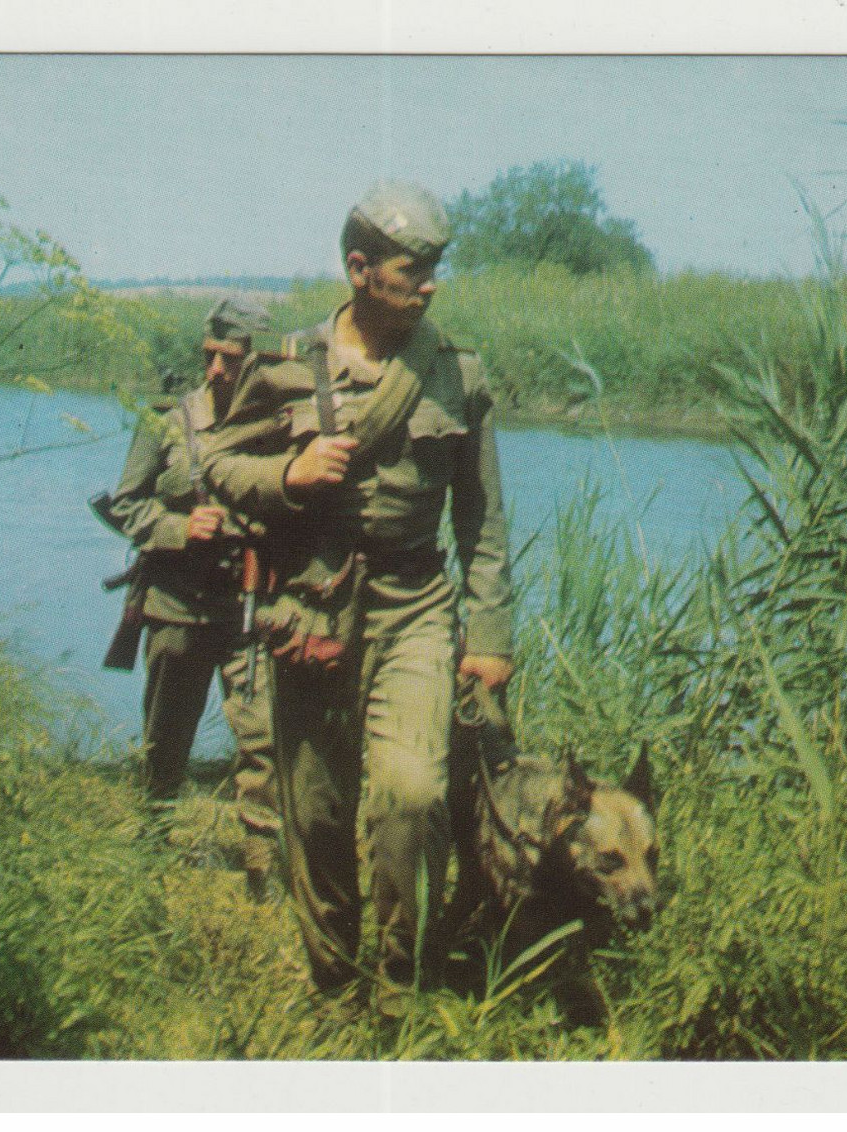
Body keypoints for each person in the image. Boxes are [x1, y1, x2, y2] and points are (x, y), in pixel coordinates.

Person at [202, 182, 515, 1010]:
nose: (432, 284)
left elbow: (481, 517)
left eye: (437, 268)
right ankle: (334, 986)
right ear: (358, 268)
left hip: (415, 604)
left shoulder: (457, 375)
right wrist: (287, 475)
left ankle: (397, 983)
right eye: (416, 268)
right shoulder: (287, 365)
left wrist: (490, 632)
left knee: (413, 793)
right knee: (316, 808)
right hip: (315, 607)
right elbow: (217, 465)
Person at [106, 296, 282, 896]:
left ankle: (264, 871)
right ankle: (152, 853)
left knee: (262, 739)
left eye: (229, 359)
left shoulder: (284, 426)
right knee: (166, 738)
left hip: (251, 605)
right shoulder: (167, 421)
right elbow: (126, 503)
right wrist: (182, 529)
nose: (214, 370)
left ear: (257, 363)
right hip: (177, 605)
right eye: (208, 356)